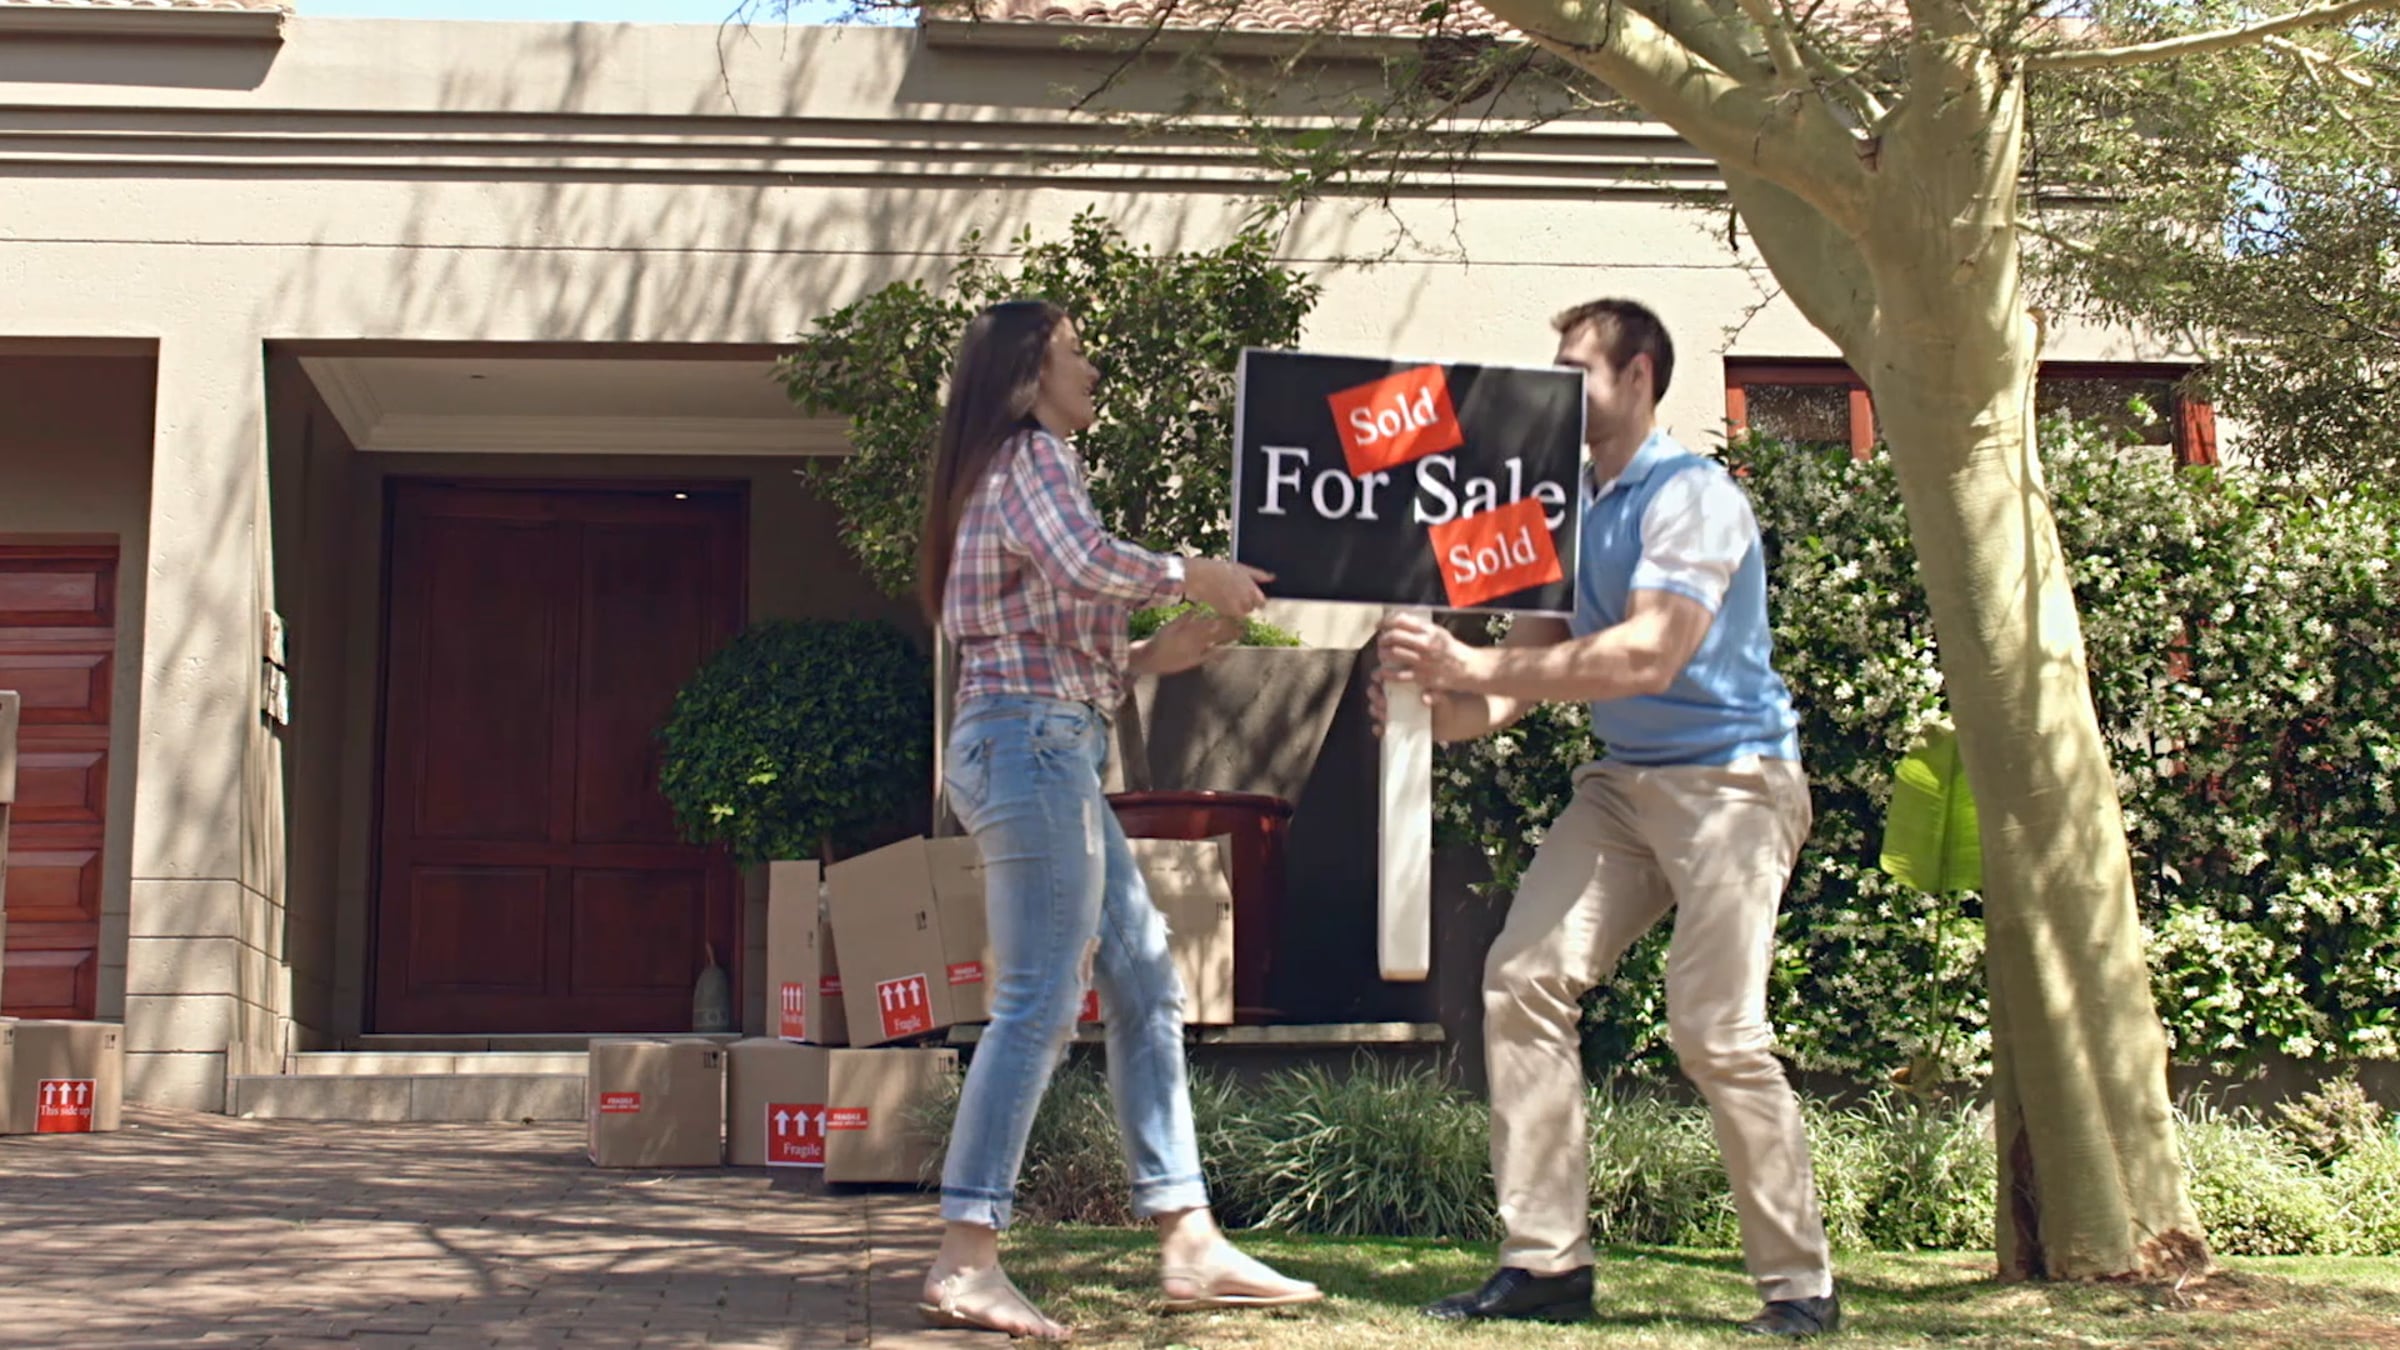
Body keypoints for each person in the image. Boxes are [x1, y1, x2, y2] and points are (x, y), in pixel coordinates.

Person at [1374, 299, 1840, 1338]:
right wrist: (1432, 709)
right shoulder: (1560, 505)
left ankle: (1798, 1286)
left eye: (1575, 367)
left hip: (1734, 782)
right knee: (1522, 979)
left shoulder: (1693, 497)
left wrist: (1473, 666)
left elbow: (1648, 654)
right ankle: (1546, 1265)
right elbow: (1515, 680)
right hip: (1626, 784)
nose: (1556, 386)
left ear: (1637, 378)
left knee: (1715, 1030)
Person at [918, 299, 1324, 1339]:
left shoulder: (1009, 471)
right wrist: (1195, 573)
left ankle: (1189, 1239)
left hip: (1043, 741)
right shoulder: (1032, 458)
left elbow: (1043, 629)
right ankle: (966, 1255)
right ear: (1027, 375)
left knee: (1146, 981)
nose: (1092, 367)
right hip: (1031, 747)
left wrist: (1150, 655)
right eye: (1074, 351)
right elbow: (1085, 561)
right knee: (1040, 1002)